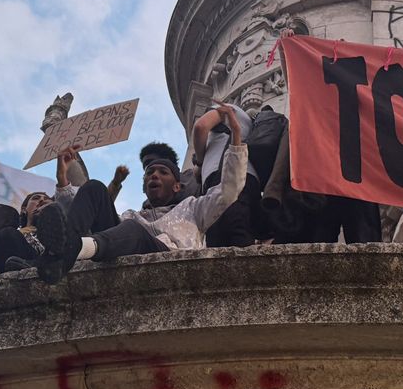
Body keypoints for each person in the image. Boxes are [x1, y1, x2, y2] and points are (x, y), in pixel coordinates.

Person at [34, 104, 247, 283]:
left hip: (170, 263)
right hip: (124, 249)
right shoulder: (130, 215)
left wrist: (236, 140)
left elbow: (228, 191)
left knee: (133, 230)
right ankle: (62, 252)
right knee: (95, 188)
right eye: (149, 173)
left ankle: (73, 249)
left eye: (163, 172)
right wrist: (63, 178)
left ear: (177, 186)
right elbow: (78, 211)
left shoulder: (194, 208)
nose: (154, 175)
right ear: (143, 187)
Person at [191, 102, 262, 247]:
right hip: (251, 180)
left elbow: (201, 126)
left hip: (224, 173)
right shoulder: (250, 122)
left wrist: (199, 162)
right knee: (241, 233)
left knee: (219, 237)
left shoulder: (230, 110)